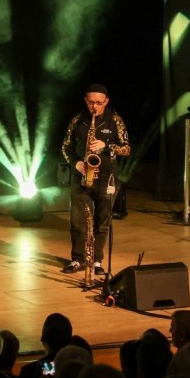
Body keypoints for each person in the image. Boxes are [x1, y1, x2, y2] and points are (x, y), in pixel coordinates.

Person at [60, 83, 130, 275]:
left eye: (99, 103)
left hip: (106, 178)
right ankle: (78, 259)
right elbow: (65, 147)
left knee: (102, 221)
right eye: (91, 102)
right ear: (86, 101)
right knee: (78, 221)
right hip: (82, 176)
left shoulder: (114, 120)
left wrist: (106, 145)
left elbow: (126, 148)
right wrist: (75, 163)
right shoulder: (78, 120)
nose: (95, 107)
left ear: (106, 101)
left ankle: (97, 261)